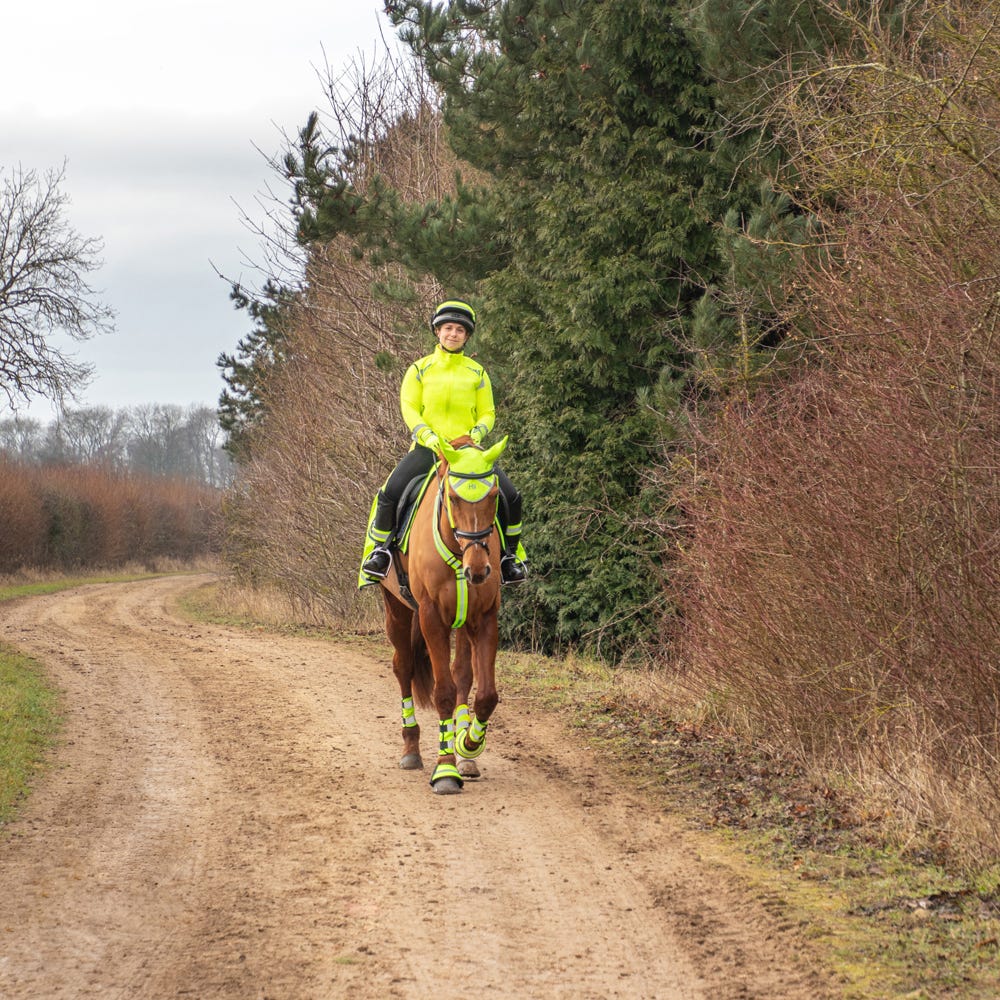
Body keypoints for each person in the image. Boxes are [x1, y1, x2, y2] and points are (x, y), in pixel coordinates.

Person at [359, 299, 527, 585]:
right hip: (429, 449)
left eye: (460, 330)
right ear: (437, 332)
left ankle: (510, 558)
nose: (453, 333)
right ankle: (381, 551)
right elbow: (409, 407)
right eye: (448, 328)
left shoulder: (477, 372)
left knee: (511, 496)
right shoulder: (419, 369)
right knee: (389, 493)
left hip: (467, 453)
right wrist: (427, 435)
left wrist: (475, 435)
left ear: (467, 336)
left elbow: (488, 412)